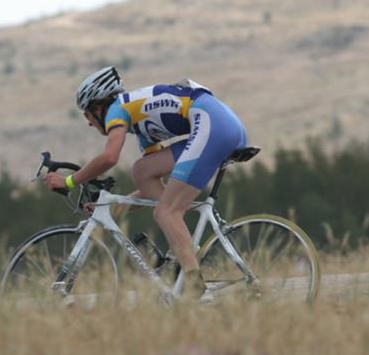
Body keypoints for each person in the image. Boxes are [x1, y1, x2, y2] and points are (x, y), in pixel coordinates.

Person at [43, 66, 247, 301]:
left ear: (100, 106)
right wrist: (115, 208)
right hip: (220, 123)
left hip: (214, 124)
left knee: (166, 212)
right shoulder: (141, 128)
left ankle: (194, 287)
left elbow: (110, 157)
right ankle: (179, 253)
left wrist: (69, 181)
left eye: (88, 114)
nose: (88, 122)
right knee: (143, 171)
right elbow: (151, 185)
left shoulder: (117, 108)